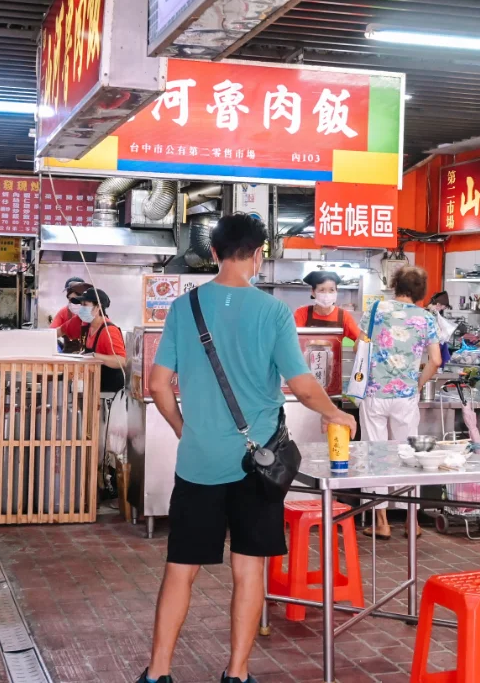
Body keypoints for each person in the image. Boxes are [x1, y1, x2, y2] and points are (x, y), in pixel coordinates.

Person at [137, 214, 356, 683]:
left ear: (213, 254)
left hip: (198, 462)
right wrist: (335, 414)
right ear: (259, 255)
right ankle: (236, 673)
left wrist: (184, 429)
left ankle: (158, 673)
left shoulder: (185, 307)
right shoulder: (274, 312)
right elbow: (301, 383)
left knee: (181, 569)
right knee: (248, 569)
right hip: (258, 466)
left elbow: (158, 385)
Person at [361, 265, 442, 540]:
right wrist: (417, 384)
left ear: (395, 285)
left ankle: (381, 521)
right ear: (420, 292)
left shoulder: (376, 311)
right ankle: (412, 521)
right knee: (410, 457)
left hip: (374, 393)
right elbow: (436, 361)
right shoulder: (426, 318)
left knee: (376, 455)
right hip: (405, 397)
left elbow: (361, 346)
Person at [78, 287, 127, 393]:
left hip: (110, 392)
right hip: (95, 387)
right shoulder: (89, 326)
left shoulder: (109, 330)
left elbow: (122, 361)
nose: (81, 308)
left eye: (85, 305)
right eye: (81, 305)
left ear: (98, 307)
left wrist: (95, 356)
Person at [293, 270, 362, 342]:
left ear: (336, 291)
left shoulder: (343, 315)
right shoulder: (302, 313)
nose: (327, 295)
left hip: (333, 353)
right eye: (322, 290)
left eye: (331, 290)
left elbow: (360, 340)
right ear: (313, 292)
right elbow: (292, 340)